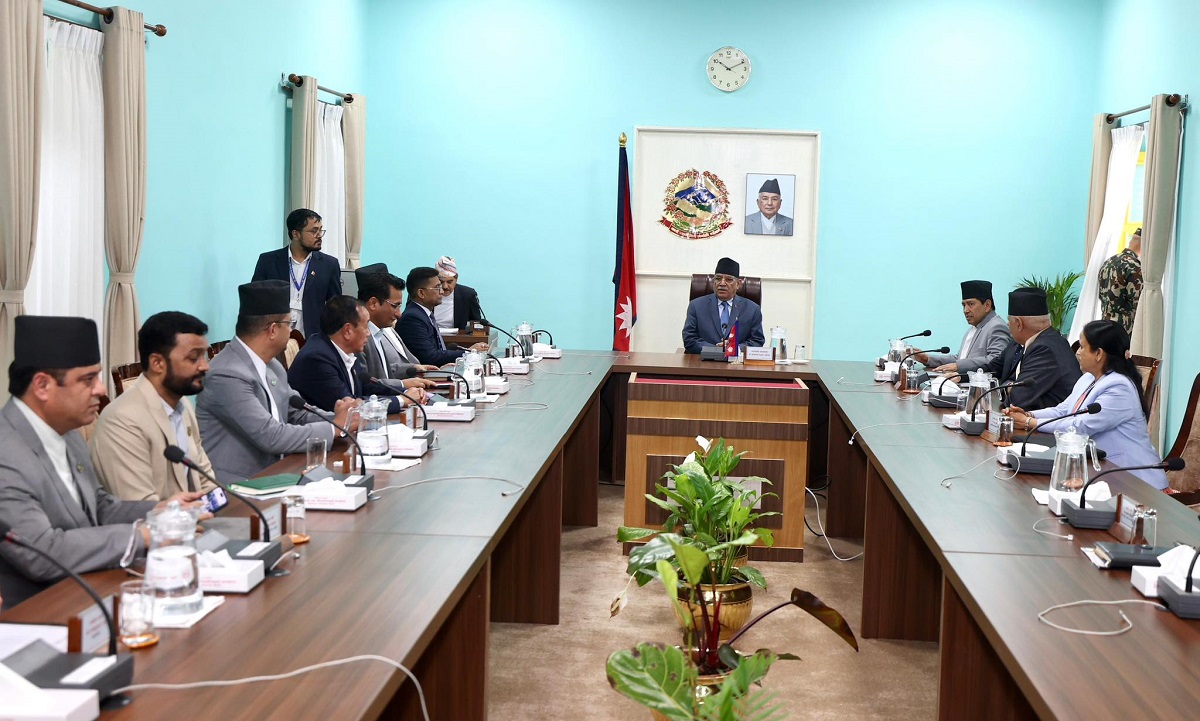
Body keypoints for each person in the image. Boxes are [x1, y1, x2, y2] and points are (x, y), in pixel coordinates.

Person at [0, 316, 207, 610]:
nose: (101, 389)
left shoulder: (68, 433)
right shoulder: (6, 454)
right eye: (88, 380)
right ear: (42, 385)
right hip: (36, 613)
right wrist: (142, 536)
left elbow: (98, 506)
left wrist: (159, 511)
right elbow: (42, 552)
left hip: (91, 591)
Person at [196, 280, 357, 484]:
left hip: (279, 473)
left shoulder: (272, 365)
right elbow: (270, 435)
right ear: (273, 330)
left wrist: (344, 418)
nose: (291, 330)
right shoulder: (226, 374)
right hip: (239, 487)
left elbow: (296, 413)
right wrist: (334, 428)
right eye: (290, 324)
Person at [1006, 320, 1165, 489]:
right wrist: (1029, 414)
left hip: (1133, 479)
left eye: (1082, 347)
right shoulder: (1088, 378)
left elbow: (1081, 426)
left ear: (1098, 354)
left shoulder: (1119, 388)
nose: (1078, 352)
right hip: (1099, 471)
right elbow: (1063, 410)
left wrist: (1029, 423)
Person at [90, 311, 218, 501]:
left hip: (194, 515)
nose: (205, 366)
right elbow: (139, 506)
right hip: (156, 520)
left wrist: (219, 507)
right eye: (193, 358)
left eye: (204, 356)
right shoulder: (122, 421)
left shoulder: (181, 404)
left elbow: (205, 480)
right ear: (157, 363)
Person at [288, 295, 432, 415]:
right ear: (347, 331)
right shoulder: (317, 359)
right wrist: (400, 400)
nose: (369, 333)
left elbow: (367, 386)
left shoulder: (346, 351)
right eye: (366, 326)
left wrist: (407, 392)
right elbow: (350, 407)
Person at [976, 288, 1081, 411]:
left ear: (1019, 323)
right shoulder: (1042, 340)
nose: (1008, 325)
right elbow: (994, 367)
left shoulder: (1044, 349)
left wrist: (1010, 389)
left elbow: (1017, 401)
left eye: (1009, 320)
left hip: (1053, 421)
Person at [251, 208, 342, 338]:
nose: (319, 235)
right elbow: (255, 300)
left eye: (320, 230)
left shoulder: (329, 265)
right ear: (296, 234)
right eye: (314, 231)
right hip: (273, 336)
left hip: (312, 338)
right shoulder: (268, 261)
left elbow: (335, 306)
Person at [356, 264, 438, 381]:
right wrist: (403, 386)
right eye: (395, 306)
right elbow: (366, 383)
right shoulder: (359, 337)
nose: (399, 314)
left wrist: (415, 369)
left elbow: (384, 369)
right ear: (373, 304)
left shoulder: (379, 331)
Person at [399, 266, 489, 366]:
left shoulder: (424, 314)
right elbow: (430, 357)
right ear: (421, 293)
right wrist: (468, 352)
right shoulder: (412, 318)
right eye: (437, 287)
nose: (442, 291)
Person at [917, 280, 1012, 373]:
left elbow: (996, 360)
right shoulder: (974, 328)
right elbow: (960, 359)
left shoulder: (996, 326)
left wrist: (958, 366)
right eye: (964, 305)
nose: (966, 310)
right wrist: (928, 359)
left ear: (987, 305)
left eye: (971, 304)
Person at [682, 257, 766, 354]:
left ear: (738, 284)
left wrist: (734, 348)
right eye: (718, 279)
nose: (722, 283)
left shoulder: (752, 309)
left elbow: (757, 341)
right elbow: (689, 339)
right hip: (703, 360)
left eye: (729, 280)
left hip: (737, 361)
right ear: (714, 282)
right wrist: (715, 350)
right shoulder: (696, 306)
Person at [1097, 227, 1143, 337]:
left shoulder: (1108, 262)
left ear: (1130, 242)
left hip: (1105, 326)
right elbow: (1138, 303)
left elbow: (1101, 295)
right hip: (1124, 329)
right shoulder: (1134, 265)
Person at [432, 256, 485, 330]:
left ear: (456, 279)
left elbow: (476, 323)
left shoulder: (468, 295)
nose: (445, 287)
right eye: (441, 282)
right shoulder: (427, 293)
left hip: (458, 336)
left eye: (449, 282)